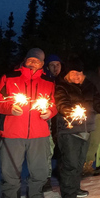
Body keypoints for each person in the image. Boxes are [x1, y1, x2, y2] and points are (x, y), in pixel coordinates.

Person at [0, 48, 57, 198]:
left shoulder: (48, 81)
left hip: (39, 133)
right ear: (25, 60)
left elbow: (53, 104)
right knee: (9, 169)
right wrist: (9, 108)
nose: (34, 62)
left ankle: (35, 195)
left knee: (40, 169)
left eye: (38, 61)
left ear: (42, 64)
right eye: (31, 59)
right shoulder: (9, 77)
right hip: (12, 133)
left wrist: (49, 112)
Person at [54, 59, 100, 198]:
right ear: (67, 74)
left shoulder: (89, 86)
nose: (77, 76)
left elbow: (98, 103)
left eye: (79, 73)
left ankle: (75, 187)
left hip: (86, 128)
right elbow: (61, 104)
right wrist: (70, 112)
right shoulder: (62, 86)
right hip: (69, 130)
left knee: (79, 162)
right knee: (70, 163)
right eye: (74, 73)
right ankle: (68, 194)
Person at [43, 54, 63, 191]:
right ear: (47, 66)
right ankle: (46, 178)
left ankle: (61, 172)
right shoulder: (43, 80)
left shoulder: (64, 80)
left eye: (58, 65)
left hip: (62, 120)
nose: (55, 68)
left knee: (63, 148)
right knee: (47, 149)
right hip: (48, 119)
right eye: (52, 65)